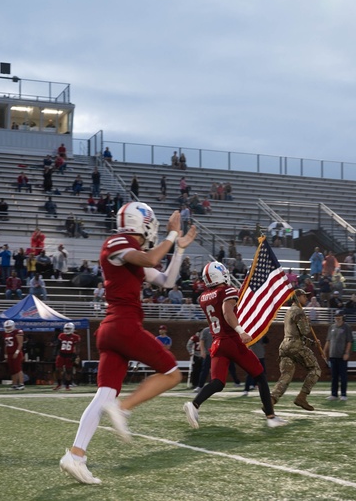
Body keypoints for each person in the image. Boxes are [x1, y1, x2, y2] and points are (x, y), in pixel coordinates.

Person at [60, 202, 196, 485]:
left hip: (114, 330)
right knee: (172, 374)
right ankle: (124, 408)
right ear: (142, 223)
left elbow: (168, 281)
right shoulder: (117, 242)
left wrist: (179, 247)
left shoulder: (130, 256)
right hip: (122, 325)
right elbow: (149, 260)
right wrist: (171, 235)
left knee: (104, 394)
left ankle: (75, 456)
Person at [183, 261, 287, 430]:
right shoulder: (227, 291)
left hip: (217, 343)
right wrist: (240, 331)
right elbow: (226, 311)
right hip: (232, 340)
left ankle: (194, 405)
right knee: (260, 375)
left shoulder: (203, 297)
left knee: (217, 382)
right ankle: (271, 416)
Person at [323, 312, 353, 401]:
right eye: (336, 317)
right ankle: (334, 394)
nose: (337, 318)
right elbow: (328, 340)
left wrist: (347, 353)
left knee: (343, 376)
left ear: (342, 317)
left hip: (342, 356)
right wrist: (324, 351)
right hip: (333, 355)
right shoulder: (332, 327)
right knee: (334, 376)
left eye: (339, 317)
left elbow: (349, 341)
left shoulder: (347, 327)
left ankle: (343, 394)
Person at [53, 322, 82, 391]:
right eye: (66, 328)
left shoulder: (76, 337)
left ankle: (67, 386)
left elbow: (78, 347)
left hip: (70, 355)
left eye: (68, 328)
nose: (67, 330)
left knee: (68, 371)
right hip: (61, 354)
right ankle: (59, 384)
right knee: (58, 370)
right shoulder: (61, 335)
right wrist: (55, 353)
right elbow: (58, 345)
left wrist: (75, 355)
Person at [3, 320, 25, 390]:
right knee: (12, 369)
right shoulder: (6, 334)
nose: (8, 328)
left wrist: (16, 352)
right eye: (7, 327)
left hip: (16, 353)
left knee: (18, 368)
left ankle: (21, 384)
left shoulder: (17, 332)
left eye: (9, 326)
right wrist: (6, 354)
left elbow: (20, 344)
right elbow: (6, 345)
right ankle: (14, 384)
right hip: (9, 353)